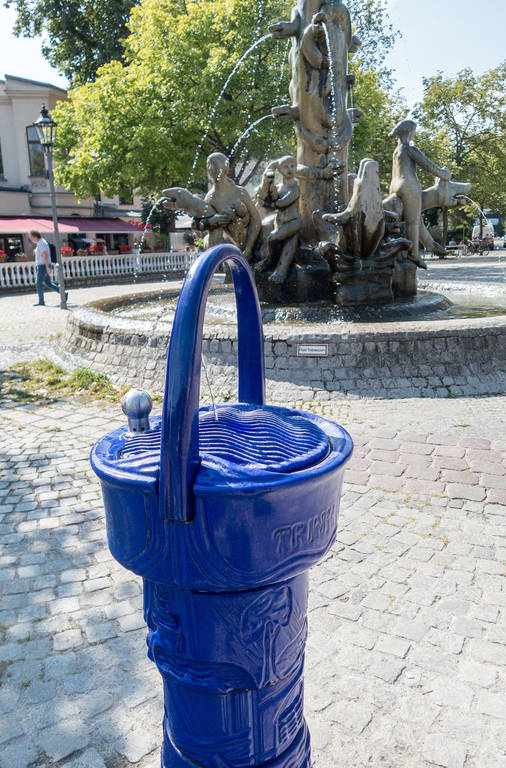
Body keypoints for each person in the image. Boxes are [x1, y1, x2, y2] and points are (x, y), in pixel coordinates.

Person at [29, 230, 66, 306]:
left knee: (38, 283)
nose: (31, 239)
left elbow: (45, 255)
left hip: (43, 265)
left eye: (31, 237)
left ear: (35, 237)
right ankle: (63, 293)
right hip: (44, 265)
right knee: (48, 283)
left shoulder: (41, 243)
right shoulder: (41, 242)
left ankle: (41, 301)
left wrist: (47, 267)